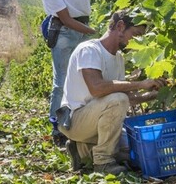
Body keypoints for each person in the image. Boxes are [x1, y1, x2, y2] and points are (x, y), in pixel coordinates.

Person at [58, 10, 166, 175]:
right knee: (118, 99)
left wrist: (153, 95)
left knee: (137, 151)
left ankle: (81, 150)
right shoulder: (89, 50)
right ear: (120, 26)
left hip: (95, 121)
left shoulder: (118, 58)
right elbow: (97, 88)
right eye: (135, 35)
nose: (136, 41)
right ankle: (103, 162)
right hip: (75, 121)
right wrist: (140, 84)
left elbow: (124, 99)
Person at [39, 0, 99, 147]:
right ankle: (57, 127)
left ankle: (82, 123)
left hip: (84, 23)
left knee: (87, 77)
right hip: (64, 29)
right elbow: (65, 18)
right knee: (62, 80)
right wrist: (94, 34)